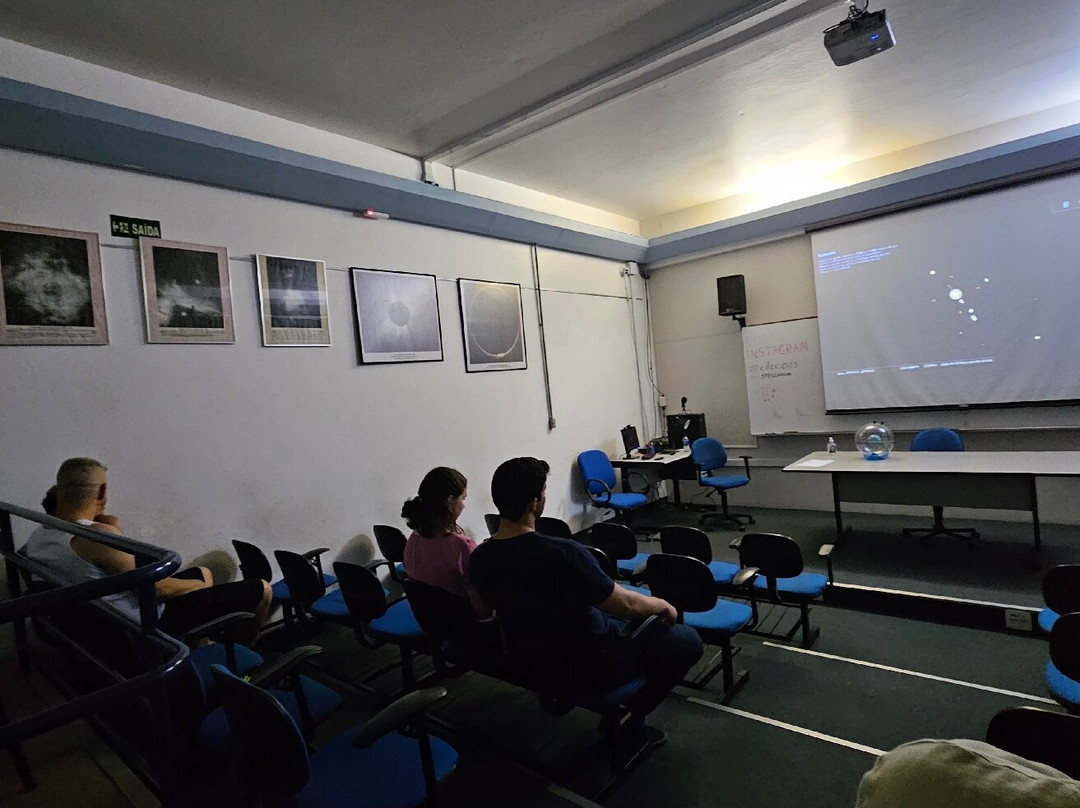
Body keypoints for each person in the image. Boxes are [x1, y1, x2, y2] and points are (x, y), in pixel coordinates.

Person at [468, 456, 703, 737]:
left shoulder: (479, 558)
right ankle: (631, 717)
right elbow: (626, 604)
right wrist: (662, 605)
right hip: (592, 664)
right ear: (533, 503)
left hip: (532, 658)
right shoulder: (564, 553)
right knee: (687, 639)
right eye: (543, 492)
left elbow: (486, 608)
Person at [24, 457, 271, 642]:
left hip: (96, 622)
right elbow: (157, 589)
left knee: (204, 571)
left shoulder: (39, 538)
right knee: (262, 589)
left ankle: (202, 646)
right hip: (142, 624)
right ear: (102, 491)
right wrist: (199, 588)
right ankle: (244, 663)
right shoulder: (96, 537)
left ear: (58, 491)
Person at [402, 467, 489, 618]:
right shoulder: (462, 546)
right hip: (464, 623)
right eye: (463, 498)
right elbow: (482, 610)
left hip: (432, 619)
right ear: (450, 500)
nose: (464, 504)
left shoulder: (413, 540)